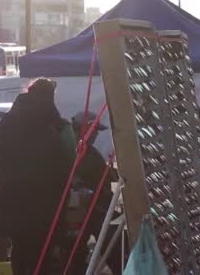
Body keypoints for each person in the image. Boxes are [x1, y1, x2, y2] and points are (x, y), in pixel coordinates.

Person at [0, 78, 73, 275]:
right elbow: (70, 160)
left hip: (13, 199)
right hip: (47, 202)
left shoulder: (8, 121)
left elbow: (0, 157)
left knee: (20, 250)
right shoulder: (57, 125)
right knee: (45, 252)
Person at [70, 111, 124, 275]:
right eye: (94, 130)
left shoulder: (84, 148)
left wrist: (110, 171)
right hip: (92, 208)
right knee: (113, 246)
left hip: (94, 207)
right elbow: (80, 176)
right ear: (84, 128)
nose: (95, 135)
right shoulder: (77, 148)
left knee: (78, 252)